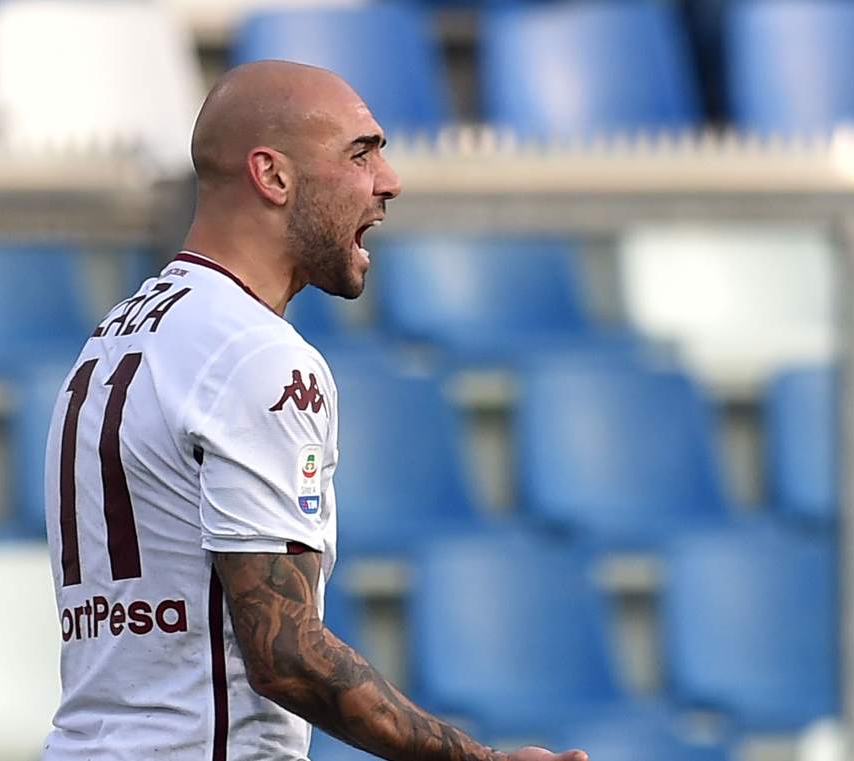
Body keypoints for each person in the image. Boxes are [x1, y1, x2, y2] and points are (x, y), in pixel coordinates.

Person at [41, 60, 589, 761]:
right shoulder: (257, 357)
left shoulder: (117, 334)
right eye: (361, 153)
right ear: (273, 177)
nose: (390, 181)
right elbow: (285, 653)